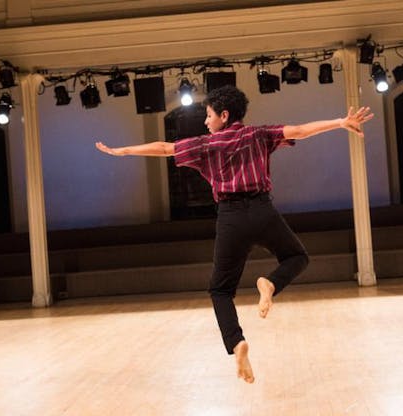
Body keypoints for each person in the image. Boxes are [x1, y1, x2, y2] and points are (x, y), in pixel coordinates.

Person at [96, 85, 373, 383]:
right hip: (263, 211)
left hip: (231, 219)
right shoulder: (259, 134)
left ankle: (236, 342)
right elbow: (301, 130)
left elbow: (165, 148)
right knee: (296, 257)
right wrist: (340, 122)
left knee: (220, 290)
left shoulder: (205, 145)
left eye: (209, 115)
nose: (205, 121)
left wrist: (122, 151)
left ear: (224, 116)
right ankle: (270, 283)